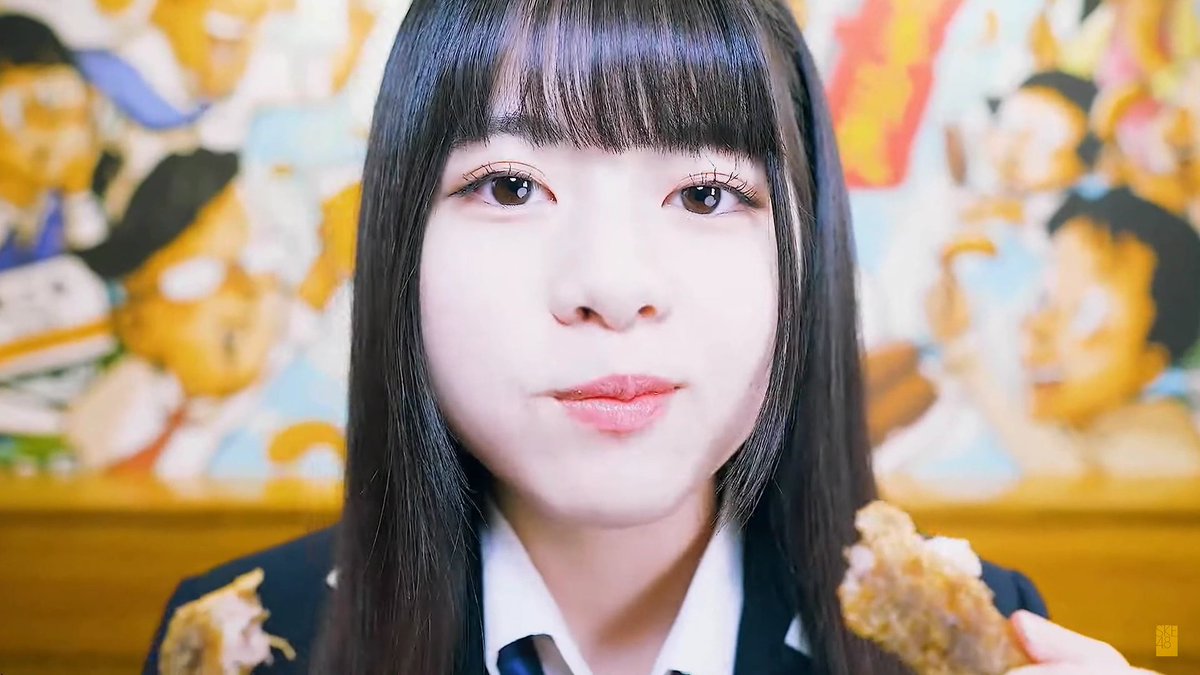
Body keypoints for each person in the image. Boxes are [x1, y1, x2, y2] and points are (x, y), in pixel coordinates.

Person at [145, 1, 1157, 674]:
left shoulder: (965, 646)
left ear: (804, 255)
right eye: (510, 186)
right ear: (399, 239)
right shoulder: (250, 643)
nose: (614, 286)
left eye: (706, 193)